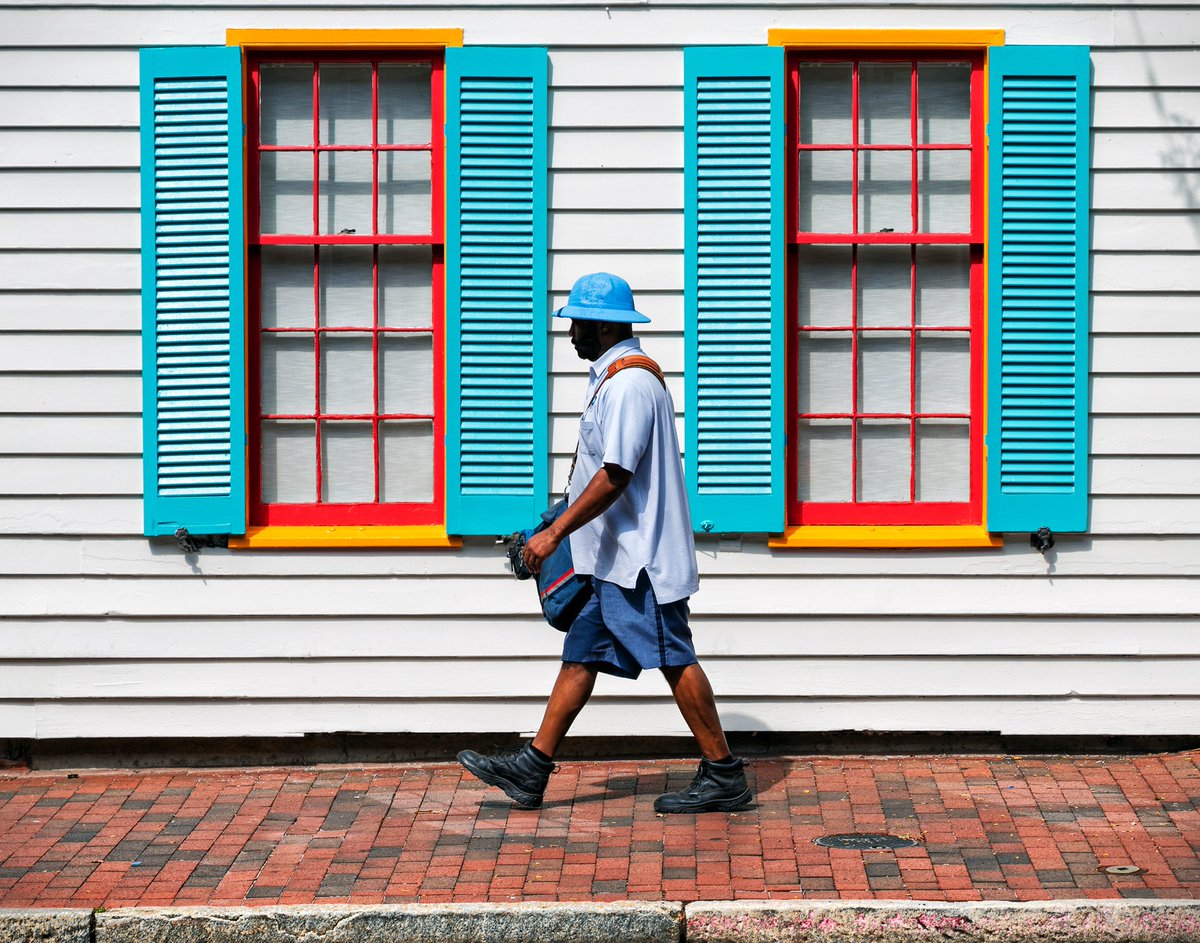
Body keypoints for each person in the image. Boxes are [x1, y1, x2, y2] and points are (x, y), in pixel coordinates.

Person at [457, 272, 752, 814]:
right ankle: (532, 768)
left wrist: (554, 533)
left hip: (640, 562)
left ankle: (724, 774)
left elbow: (615, 474)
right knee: (581, 654)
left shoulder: (629, 385)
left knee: (673, 656)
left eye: (578, 324)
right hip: (611, 561)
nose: (571, 333)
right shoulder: (613, 381)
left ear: (605, 326)